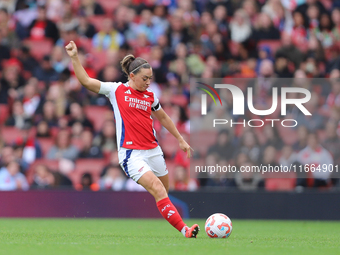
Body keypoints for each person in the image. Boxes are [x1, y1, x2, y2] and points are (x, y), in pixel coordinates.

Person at [65, 41, 199, 238]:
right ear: (132, 76)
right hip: (131, 154)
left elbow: (163, 117)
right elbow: (85, 81)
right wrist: (75, 57)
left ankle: (170, 219)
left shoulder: (150, 96)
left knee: (164, 191)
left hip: (153, 151)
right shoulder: (115, 90)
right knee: (158, 189)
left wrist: (180, 139)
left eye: (150, 79)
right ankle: (185, 230)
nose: (148, 82)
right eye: (145, 78)